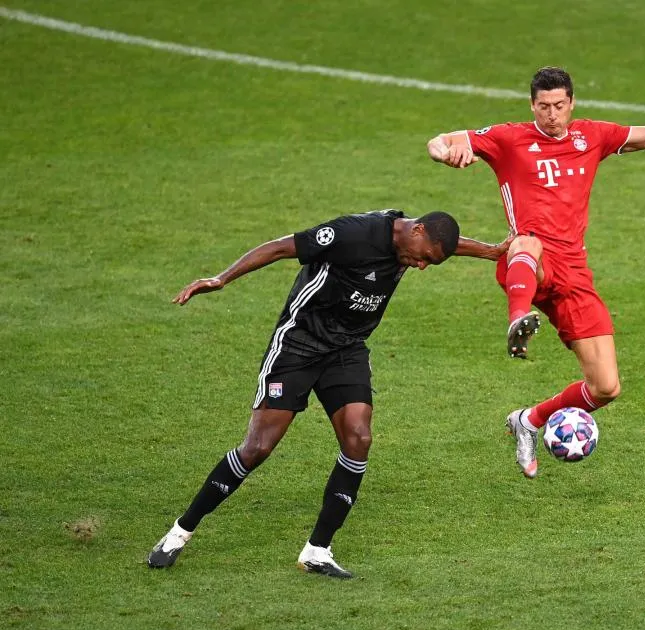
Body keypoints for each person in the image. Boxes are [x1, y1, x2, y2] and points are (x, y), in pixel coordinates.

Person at [147, 209, 507, 578]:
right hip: (299, 344)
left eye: (431, 262)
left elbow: (449, 241)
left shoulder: (418, 239)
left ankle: (318, 550)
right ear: (415, 232)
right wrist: (221, 279)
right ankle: (180, 531)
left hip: (346, 349)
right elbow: (279, 248)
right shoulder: (352, 234)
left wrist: (493, 251)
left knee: (358, 437)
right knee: (258, 447)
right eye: (424, 257)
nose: (421, 266)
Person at [426, 67, 645, 478]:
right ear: (532, 106)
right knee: (526, 241)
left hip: (575, 273)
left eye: (559, 106)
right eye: (543, 107)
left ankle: (528, 419)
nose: (552, 115)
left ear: (572, 103)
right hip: (529, 264)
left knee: (606, 387)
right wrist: (447, 152)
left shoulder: (591, 136)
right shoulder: (509, 138)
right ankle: (518, 320)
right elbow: (440, 141)